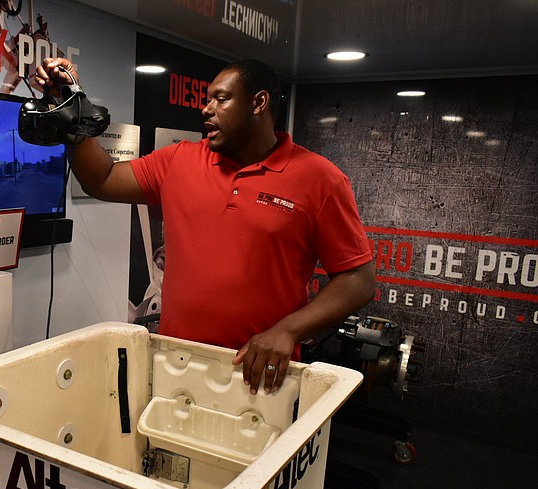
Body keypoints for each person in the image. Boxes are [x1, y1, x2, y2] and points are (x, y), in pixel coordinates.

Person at [35, 57, 376, 396]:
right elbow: (103, 179)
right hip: (175, 365)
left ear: (258, 103)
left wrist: (287, 331)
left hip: (257, 377)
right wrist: (70, 111)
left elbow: (357, 281)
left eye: (221, 99)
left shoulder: (320, 179)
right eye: (207, 98)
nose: (206, 109)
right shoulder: (179, 160)